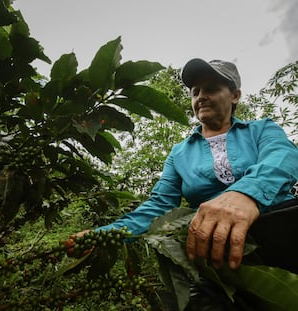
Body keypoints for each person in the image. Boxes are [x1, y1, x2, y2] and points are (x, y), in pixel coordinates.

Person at [73, 58, 298, 270]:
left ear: (235, 96)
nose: (201, 97)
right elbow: (159, 206)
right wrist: (103, 235)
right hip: (213, 246)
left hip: (280, 228)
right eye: (195, 92)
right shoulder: (180, 153)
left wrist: (246, 195)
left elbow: (282, 155)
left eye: (211, 89)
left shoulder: (261, 129)